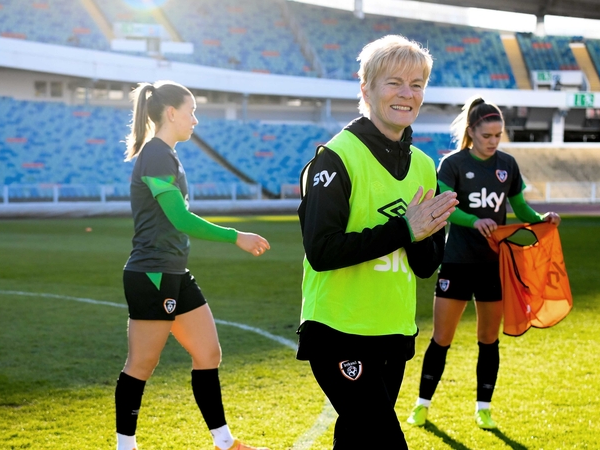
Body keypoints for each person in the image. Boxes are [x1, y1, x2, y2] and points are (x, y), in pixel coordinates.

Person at [297, 35, 458, 449]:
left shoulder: (423, 165)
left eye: (417, 84)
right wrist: (404, 229)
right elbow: (321, 251)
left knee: (356, 440)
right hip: (339, 330)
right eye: (394, 82)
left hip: (393, 331)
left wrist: (426, 233)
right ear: (365, 87)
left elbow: (424, 266)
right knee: (385, 441)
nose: (407, 94)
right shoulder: (335, 157)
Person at [115, 81, 271, 450]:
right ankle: (125, 446)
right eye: (192, 111)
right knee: (141, 364)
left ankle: (224, 442)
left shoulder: (166, 154)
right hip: (152, 274)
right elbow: (180, 219)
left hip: (174, 272)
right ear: (171, 113)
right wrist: (237, 236)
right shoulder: (155, 155)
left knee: (208, 353)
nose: (195, 120)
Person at [407, 96, 560, 430]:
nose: (494, 142)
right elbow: (444, 206)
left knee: (488, 339)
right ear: (472, 132)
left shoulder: (508, 165)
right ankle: (422, 404)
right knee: (441, 338)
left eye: (498, 135)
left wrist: (542, 219)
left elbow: (520, 209)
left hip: (494, 265)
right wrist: (475, 221)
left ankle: (483, 408)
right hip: (457, 262)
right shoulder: (452, 164)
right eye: (488, 135)